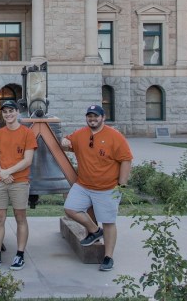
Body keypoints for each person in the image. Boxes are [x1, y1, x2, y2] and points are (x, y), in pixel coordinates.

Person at [61, 104, 133, 272]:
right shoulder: (80, 134)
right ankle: (94, 230)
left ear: (103, 117)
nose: (92, 119)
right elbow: (67, 143)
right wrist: (65, 141)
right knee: (70, 209)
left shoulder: (115, 136)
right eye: (89, 116)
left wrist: (122, 184)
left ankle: (108, 257)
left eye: (95, 116)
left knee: (108, 222)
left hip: (107, 188)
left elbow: (126, 159)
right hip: (83, 185)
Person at [0, 100, 37, 271]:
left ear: (17, 112)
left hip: (19, 181)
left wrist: (8, 172)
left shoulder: (27, 133)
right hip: (1, 181)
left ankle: (20, 255)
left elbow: (28, 160)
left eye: (11, 111)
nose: (8, 114)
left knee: (20, 218)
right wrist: (1, 172)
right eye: (5, 112)